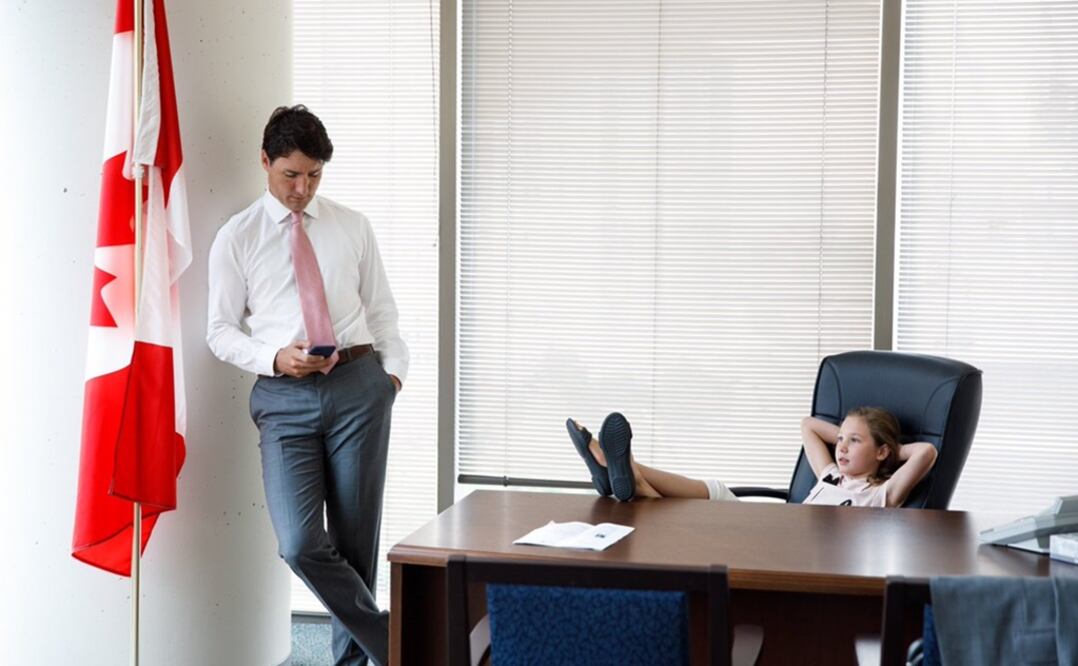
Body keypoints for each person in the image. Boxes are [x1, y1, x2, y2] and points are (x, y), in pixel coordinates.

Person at [207, 105, 407, 666]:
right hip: (282, 399)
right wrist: (273, 356)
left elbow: (383, 311)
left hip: (359, 387)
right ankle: (395, 643)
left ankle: (352, 662)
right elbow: (219, 331)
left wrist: (391, 377)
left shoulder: (352, 225)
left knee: (355, 539)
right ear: (265, 162)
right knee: (298, 543)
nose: (302, 188)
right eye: (290, 174)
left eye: (314, 176)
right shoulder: (238, 236)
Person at [567, 407, 938, 508]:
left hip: (783, 545)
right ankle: (623, 470)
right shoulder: (829, 475)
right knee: (713, 490)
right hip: (772, 528)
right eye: (839, 439)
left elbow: (927, 451)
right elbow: (807, 425)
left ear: (882, 451)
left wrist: (891, 449)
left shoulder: (881, 495)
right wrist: (854, 437)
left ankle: (616, 470)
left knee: (690, 512)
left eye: (853, 441)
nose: (840, 447)